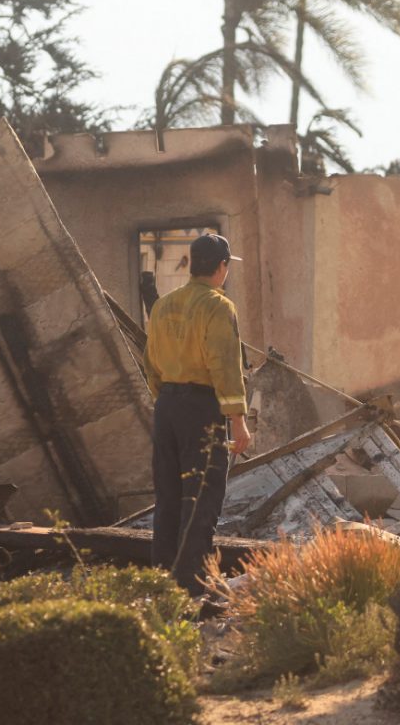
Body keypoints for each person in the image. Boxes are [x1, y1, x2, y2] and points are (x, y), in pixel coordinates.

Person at [143, 233, 252, 594]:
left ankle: (163, 582)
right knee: (201, 497)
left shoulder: (162, 307)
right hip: (201, 408)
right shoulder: (218, 307)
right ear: (222, 268)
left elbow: (151, 365)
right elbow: (224, 366)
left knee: (168, 497)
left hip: (167, 407)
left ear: (190, 264)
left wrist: (167, 401)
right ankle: (192, 586)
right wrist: (237, 420)